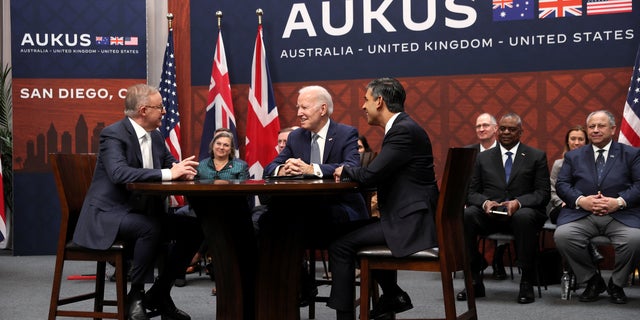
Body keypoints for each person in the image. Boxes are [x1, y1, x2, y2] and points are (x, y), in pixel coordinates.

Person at [72, 84, 202, 320]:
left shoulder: (157, 137)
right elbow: (119, 173)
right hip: (107, 214)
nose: (164, 111)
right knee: (149, 228)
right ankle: (137, 295)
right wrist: (168, 174)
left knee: (194, 228)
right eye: (160, 107)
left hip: (141, 211)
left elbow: (171, 166)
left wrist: (184, 171)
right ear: (143, 110)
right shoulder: (113, 134)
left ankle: (160, 292)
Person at [331, 77, 439, 320]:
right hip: (407, 216)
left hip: (411, 222)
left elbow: (370, 174)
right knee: (346, 232)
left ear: (379, 101)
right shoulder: (404, 127)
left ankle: (349, 315)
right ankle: (392, 295)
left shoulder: (403, 130)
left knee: (340, 246)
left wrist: (344, 170)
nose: (363, 106)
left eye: (365, 100)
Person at [262, 85, 369, 307]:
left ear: (322, 109)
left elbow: (350, 167)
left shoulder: (345, 133)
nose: (299, 112)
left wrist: (312, 169)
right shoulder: (295, 137)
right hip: (306, 212)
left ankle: (308, 291)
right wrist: (282, 170)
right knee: (266, 220)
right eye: (297, 107)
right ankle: (288, 293)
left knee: (281, 222)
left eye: (304, 107)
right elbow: (270, 168)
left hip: (341, 210)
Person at [457, 112, 550, 304]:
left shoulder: (535, 156)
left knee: (523, 217)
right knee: (467, 215)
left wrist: (518, 202)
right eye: (503, 128)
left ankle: (526, 281)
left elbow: (543, 193)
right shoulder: (483, 158)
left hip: (521, 214)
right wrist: (485, 203)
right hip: (491, 215)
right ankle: (474, 278)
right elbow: (471, 193)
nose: (506, 132)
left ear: (521, 132)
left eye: (512, 129)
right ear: (497, 130)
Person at [554, 110, 640, 304]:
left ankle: (616, 284)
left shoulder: (631, 154)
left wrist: (617, 202)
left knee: (635, 240)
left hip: (620, 214)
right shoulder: (574, 156)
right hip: (582, 214)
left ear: (612, 129)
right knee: (563, 236)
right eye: (591, 126)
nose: (595, 130)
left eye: (601, 126)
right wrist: (582, 200)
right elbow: (562, 185)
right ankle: (592, 280)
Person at [174, 130, 249, 289]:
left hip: (230, 208)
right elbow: (191, 190)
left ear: (231, 149)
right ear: (213, 146)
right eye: (219, 144)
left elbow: (244, 192)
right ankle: (178, 271)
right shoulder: (201, 165)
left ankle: (200, 257)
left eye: (226, 145)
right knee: (181, 217)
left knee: (216, 222)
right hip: (202, 207)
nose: (222, 147)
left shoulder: (240, 166)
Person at [465, 113, 506, 280]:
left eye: (485, 125)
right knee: (464, 215)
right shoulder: (468, 153)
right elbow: (462, 183)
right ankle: (475, 261)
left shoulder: (505, 152)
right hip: (474, 201)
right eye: (478, 126)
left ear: (495, 129)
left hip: (502, 203)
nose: (481, 129)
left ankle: (498, 258)